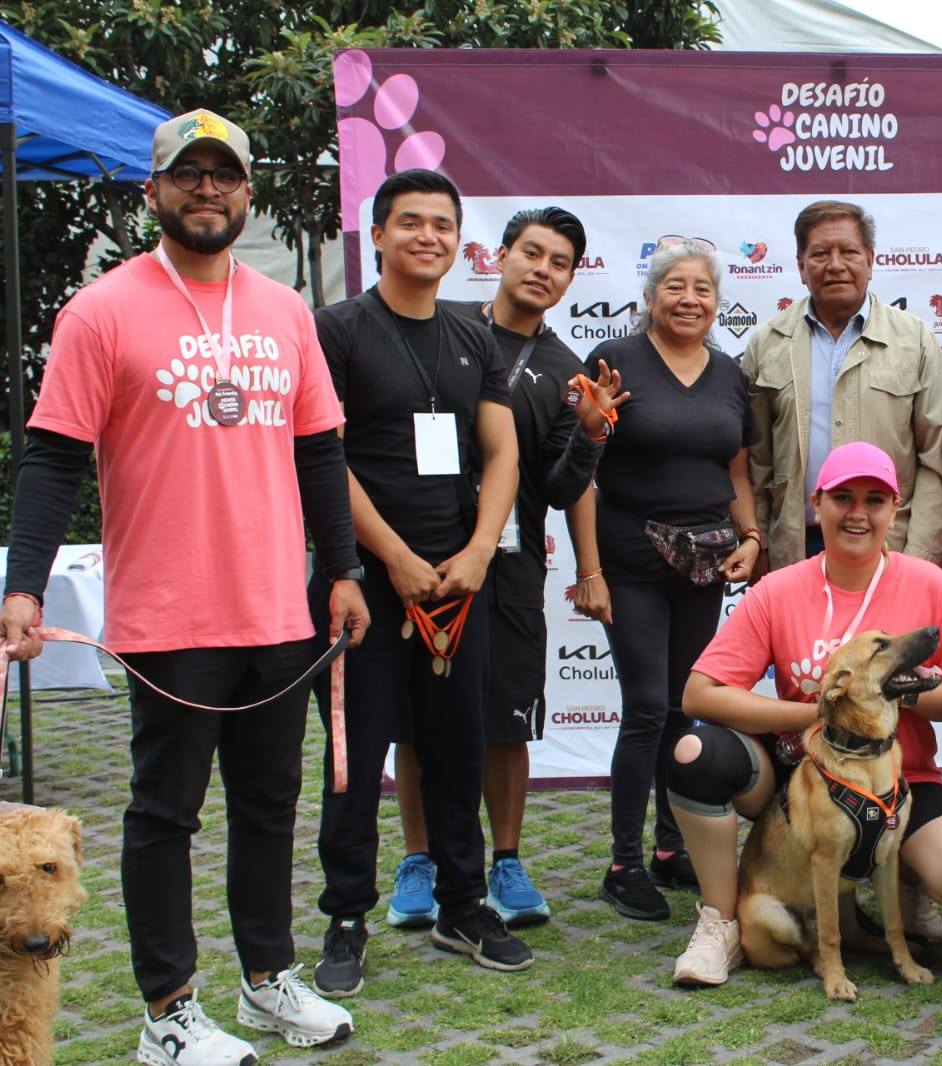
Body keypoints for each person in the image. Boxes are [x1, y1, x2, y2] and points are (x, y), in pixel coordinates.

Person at [0, 108, 367, 1064]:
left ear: (249, 191)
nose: (209, 189)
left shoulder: (286, 311)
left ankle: (266, 983)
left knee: (267, 805)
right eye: (188, 174)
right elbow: (50, 461)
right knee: (164, 815)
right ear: (153, 191)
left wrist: (344, 572)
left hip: (275, 608)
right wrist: (24, 586)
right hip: (169, 616)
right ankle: (166, 1014)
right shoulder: (103, 309)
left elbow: (320, 454)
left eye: (225, 175)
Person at [665, 442, 942, 987]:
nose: (858, 513)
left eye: (875, 500)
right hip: (798, 775)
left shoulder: (928, 584)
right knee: (694, 751)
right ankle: (721, 921)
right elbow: (700, 695)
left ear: (894, 510)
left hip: (899, 777)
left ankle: (903, 877)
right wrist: (816, 714)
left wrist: (891, 690)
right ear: (816, 504)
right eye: (842, 497)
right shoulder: (778, 589)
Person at [310, 168, 529, 997]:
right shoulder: (337, 330)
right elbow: (322, 457)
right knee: (355, 757)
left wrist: (478, 550)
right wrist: (392, 558)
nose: (427, 237)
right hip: (363, 586)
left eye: (442, 224)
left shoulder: (474, 337)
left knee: (455, 748)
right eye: (410, 223)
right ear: (379, 233)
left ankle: (463, 906)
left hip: (457, 586)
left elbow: (501, 452)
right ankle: (344, 918)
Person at [382, 207, 621, 930]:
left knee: (505, 721)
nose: (542, 270)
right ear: (502, 255)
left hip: (511, 565)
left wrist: (588, 437)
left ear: (571, 279)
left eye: (559, 262)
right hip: (421, 557)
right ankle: (418, 861)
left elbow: (556, 487)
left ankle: (507, 862)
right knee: (419, 720)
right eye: (532, 253)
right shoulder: (446, 328)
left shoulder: (567, 373)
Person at [570, 240, 762, 921]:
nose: (689, 299)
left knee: (684, 707)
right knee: (647, 707)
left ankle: (669, 849)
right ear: (650, 298)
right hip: (631, 560)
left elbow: (734, 470)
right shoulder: (614, 362)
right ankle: (622, 864)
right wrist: (588, 570)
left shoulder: (729, 372)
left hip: (705, 561)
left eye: (702, 289)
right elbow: (583, 472)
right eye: (675, 287)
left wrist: (752, 538)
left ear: (717, 303)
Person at [743, 200, 942, 570]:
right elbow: (757, 463)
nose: (835, 265)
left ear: (871, 262)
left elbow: (939, 459)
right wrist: (761, 547)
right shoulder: (767, 343)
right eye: (820, 254)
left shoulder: (915, 339)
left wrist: (920, 560)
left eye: (849, 252)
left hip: (891, 548)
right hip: (795, 551)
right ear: (800, 266)